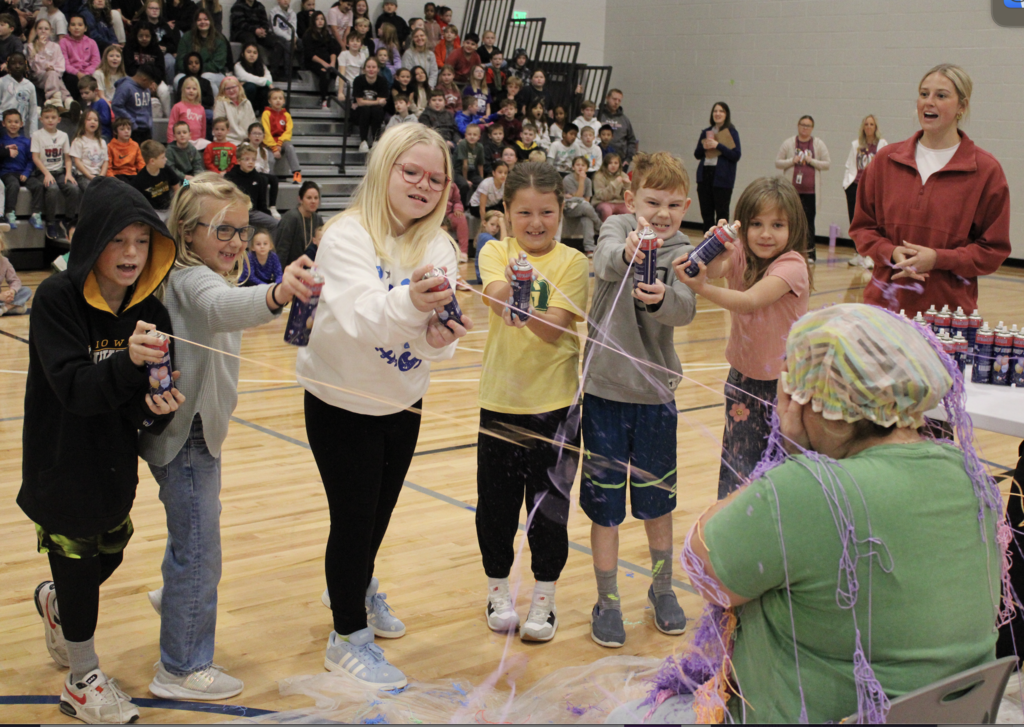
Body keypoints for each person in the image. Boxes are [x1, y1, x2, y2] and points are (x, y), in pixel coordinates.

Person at [300, 123, 471, 688]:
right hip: (340, 400)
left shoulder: (440, 244)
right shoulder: (345, 236)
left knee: (377, 515)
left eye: (435, 178)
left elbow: (426, 340)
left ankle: (358, 583)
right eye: (411, 172)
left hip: (403, 401)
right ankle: (345, 636)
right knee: (352, 520)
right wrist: (411, 304)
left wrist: (437, 341)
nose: (423, 185)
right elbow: (359, 316)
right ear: (385, 170)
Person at [139, 172, 310, 703]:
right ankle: (182, 667)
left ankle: (177, 598)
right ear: (188, 231)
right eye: (224, 231)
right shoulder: (194, 280)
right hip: (186, 436)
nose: (236, 242)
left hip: (194, 434)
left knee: (192, 530)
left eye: (242, 231)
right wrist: (280, 292)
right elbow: (220, 307)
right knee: (200, 548)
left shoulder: (202, 269)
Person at [20, 176, 181, 726]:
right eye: (118, 241)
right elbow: (73, 389)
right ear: (93, 241)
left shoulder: (152, 313)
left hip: (114, 462)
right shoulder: (56, 298)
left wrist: (158, 407)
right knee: (75, 557)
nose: (132, 254)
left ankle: (58, 602)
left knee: (108, 551)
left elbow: (141, 399)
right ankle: (81, 680)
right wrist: (128, 364)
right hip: (60, 459)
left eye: (142, 241)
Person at [581, 151, 696, 648]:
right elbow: (603, 261)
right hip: (605, 392)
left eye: (673, 204)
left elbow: (687, 308)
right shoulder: (618, 228)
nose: (662, 214)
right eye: (652, 201)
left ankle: (663, 589)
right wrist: (629, 252)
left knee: (657, 503)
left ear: (686, 205)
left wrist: (662, 298)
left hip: (655, 398)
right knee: (605, 506)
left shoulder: (684, 249)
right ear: (631, 199)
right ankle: (606, 600)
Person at [476, 160, 588, 642]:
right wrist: (514, 298)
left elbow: (555, 325)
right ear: (504, 212)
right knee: (495, 507)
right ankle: (498, 589)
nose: (536, 223)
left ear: (561, 210)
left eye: (546, 212)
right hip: (500, 403)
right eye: (524, 213)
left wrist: (523, 306)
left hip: (557, 407)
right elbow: (496, 294)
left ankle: (544, 597)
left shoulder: (573, 263)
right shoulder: (494, 250)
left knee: (549, 511)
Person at [675, 176, 810, 499]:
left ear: (793, 228)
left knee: (782, 465)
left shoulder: (792, 265)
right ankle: (734, 530)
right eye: (756, 224)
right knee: (738, 462)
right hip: (742, 380)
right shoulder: (740, 253)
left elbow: (750, 301)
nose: (765, 234)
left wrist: (701, 289)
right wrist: (712, 248)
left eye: (777, 225)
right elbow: (718, 268)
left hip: (785, 385)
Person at [852, 65, 1010, 315]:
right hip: (883, 310)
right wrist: (890, 252)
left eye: (941, 95)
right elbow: (862, 228)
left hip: (949, 318)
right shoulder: (885, 160)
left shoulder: (986, 171)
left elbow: (992, 251)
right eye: (924, 94)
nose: (929, 102)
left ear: (962, 106)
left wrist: (939, 259)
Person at [775, 115, 829, 263]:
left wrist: (812, 161)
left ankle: (810, 254)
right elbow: (778, 162)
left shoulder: (817, 144)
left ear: (812, 128)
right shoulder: (789, 143)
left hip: (810, 191)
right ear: (798, 126)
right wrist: (791, 161)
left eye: (808, 126)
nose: (805, 128)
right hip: (792, 191)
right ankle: (787, 251)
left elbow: (827, 164)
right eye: (802, 125)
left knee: (809, 222)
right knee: (790, 220)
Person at [841, 114, 886, 269]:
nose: (868, 127)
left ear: (876, 127)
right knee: (855, 221)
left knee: (871, 220)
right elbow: (849, 164)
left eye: (871, 124)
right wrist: (847, 183)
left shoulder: (882, 144)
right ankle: (859, 253)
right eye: (866, 124)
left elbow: (885, 166)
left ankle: (871, 255)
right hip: (855, 185)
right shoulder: (856, 144)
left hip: (872, 187)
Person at [30, 103, 81, 238]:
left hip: (60, 171)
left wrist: (69, 173)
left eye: (53, 117)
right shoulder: (37, 135)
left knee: (74, 188)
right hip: (42, 172)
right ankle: (51, 223)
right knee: (52, 189)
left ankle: (68, 220)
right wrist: (46, 174)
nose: (50, 120)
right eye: (47, 117)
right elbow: (35, 158)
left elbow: (68, 158)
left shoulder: (63, 135)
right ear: (41, 120)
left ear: (59, 120)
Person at [694, 101, 741, 232]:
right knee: (706, 213)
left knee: (721, 214)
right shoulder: (706, 132)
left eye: (721, 111)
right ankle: (706, 243)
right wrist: (703, 147)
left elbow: (736, 155)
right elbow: (697, 154)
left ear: (726, 114)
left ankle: (720, 243)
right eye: (715, 111)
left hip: (722, 178)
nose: (717, 113)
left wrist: (718, 145)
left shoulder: (732, 132)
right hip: (705, 175)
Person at [225, 142, 276, 229]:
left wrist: (270, 217)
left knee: (276, 224)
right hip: (235, 212)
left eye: (253, 159)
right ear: (238, 161)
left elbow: (262, 204)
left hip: (253, 213)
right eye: (247, 159)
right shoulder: (230, 177)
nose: (250, 162)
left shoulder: (259, 178)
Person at [173, 8, 228, 90]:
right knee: (177, 80)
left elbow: (217, 64)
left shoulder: (219, 39)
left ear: (210, 21)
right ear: (195, 23)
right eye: (199, 20)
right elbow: (180, 62)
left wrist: (198, 69)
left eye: (206, 19)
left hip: (214, 74)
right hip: (189, 72)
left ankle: (213, 102)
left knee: (205, 78)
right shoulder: (186, 37)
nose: (203, 22)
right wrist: (192, 70)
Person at [122, 24, 172, 114]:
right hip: (135, 81)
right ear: (136, 36)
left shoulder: (156, 49)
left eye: (147, 36)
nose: (144, 38)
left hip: (154, 81)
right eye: (141, 36)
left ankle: (167, 117)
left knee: (164, 90)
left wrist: (154, 82)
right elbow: (130, 69)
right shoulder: (129, 48)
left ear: (151, 36)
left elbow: (160, 70)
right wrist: (144, 82)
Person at [229, 0, 285, 75]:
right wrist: (255, 30)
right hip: (242, 32)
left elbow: (265, 23)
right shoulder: (237, 6)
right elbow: (240, 24)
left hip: (259, 33)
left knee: (278, 42)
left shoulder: (260, 6)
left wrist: (263, 30)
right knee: (251, 41)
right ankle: (249, 70)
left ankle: (272, 72)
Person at [273, 178, 319, 266]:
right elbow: (282, 250)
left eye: (316, 198)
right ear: (300, 199)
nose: (313, 201)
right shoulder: (291, 218)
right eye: (309, 198)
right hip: (289, 270)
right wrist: (280, 276)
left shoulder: (318, 219)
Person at [27, 19, 72, 107]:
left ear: (51, 31)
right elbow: (35, 68)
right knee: (53, 75)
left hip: (54, 76)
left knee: (53, 74)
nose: (43, 31)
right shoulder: (31, 46)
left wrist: (53, 69)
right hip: (38, 77)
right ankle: (65, 99)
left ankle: (61, 101)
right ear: (36, 31)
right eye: (40, 28)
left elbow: (60, 65)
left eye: (46, 29)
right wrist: (40, 48)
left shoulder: (55, 46)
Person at [260, 87, 300, 185]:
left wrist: (280, 143)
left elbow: (288, 131)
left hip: (282, 142)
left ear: (284, 101)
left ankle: (297, 174)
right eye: (275, 98)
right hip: (269, 144)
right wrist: (274, 148)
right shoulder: (266, 114)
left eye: (280, 98)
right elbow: (266, 132)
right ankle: (270, 179)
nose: (278, 100)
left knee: (290, 147)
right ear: (269, 101)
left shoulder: (286, 115)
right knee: (270, 159)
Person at [562, 156, 601, 254]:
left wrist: (575, 197)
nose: (580, 167)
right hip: (568, 208)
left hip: (582, 207)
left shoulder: (588, 180)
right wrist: (581, 181)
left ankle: (589, 248)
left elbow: (586, 199)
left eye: (583, 165)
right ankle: (600, 226)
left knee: (587, 218)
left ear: (587, 168)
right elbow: (578, 197)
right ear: (573, 167)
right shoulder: (567, 179)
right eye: (577, 165)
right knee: (585, 206)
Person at [130, 138, 178, 218]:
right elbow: (139, 203)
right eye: (162, 157)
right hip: (154, 212)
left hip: (170, 208)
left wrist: (175, 205)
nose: (166, 159)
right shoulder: (139, 180)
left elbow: (177, 188)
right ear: (152, 161)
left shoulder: (166, 169)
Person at [302, 10, 340, 108]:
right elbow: (310, 54)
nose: (320, 21)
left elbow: (333, 50)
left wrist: (332, 63)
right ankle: (323, 99)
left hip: (327, 60)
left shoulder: (327, 34)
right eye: (317, 19)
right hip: (314, 61)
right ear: (313, 21)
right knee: (324, 73)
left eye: (322, 19)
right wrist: (324, 64)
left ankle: (338, 96)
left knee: (337, 72)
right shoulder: (308, 34)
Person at [111, 64, 157, 144]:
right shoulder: (125, 87)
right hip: (132, 131)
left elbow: (148, 109)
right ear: (144, 79)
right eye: (150, 83)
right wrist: (132, 123)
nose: (150, 86)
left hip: (146, 130)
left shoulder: (146, 90)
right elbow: (116, 105)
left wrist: (150, 125)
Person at [351, 55, 388, 151]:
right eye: (368, 67)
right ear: (364, 69)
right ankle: (363, 141)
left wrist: (364, 102)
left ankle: (376, 141)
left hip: (376, 112)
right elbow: (360, 103)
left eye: (374, 67)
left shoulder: (382, 81)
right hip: (360, 112)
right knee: (366, 110)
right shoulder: (358, 80)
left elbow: (382, 103)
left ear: (378, 69)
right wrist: (376, 101)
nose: (371, 69)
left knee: (376, 110)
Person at [0, 108, 30, 227]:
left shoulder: (26, 141)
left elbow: (31, 160)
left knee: (37, 185)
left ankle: (36, 214)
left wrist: (27, 172)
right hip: (6, 172)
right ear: (3, 124)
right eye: (9, 121)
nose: (13, 125)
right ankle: (8, 213)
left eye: (16, 122)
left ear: (21, 124)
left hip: (21, 172)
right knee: (12, 184)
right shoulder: (2, 140)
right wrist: (7, 152)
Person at [60, 15, 100, 100]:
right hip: (72, 74)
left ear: (85, 28)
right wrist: (78, 74)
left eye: (80, 25)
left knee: (98, 75)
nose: (76, 27)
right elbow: (65, 63)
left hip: (88, 73)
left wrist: (86, 73)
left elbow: (96, 61)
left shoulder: (91, 42)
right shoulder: (63, 42)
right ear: (69, 28)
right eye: (73, 25)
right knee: (71, 79)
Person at [70, 107, 108, 193]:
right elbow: (77, 162)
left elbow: (106, 161)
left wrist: (101, 176)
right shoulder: (78, 141)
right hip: (84, 176)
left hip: (99, 176)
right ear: (83, 122)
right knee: (94, 191)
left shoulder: (102, 142)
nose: (93, 122)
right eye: (89, 119)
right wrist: (90, 176)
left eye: (95, 120)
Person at [174, 51, 215, 132]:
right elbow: (179, 99)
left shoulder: (206, 82)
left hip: (202, 109)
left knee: (210, 114)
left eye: (197, 63)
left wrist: (195, 100)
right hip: (185, 109)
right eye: (190, 63)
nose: (194, 65)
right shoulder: (182, 81)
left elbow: (210, 101)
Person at [0, 52, 39, 136]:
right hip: (2, 125)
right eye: (13, 63)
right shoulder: (2, 82)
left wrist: (33, 134)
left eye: (20, 63)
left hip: (19, 127)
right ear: (8, 66)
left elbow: (33, 111)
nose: (17, 66)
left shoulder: (29, 86)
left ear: (25, 65)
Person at [597, 88, 637, 170]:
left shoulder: (624, 120)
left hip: (620, 161)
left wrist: (629, 159)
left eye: (619, 100)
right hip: (599, 160)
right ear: (607, 98)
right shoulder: (597, 115)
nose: (616, 102)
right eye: (614, 99)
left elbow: (632, 141)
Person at [210, 76, 254, 147]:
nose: (231, 90)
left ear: (239, 87)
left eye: (233, 87)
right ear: (223, 91)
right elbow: (218, 124)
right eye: (228, 88)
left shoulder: (247, 103)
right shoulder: (221, 102)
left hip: (245, 141)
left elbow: (252, 123)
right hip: (227, 141)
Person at [232, 41, 272, 115]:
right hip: (244, 97)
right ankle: (247, 113)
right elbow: (245, 77)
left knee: (265, 89)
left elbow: (269, 79)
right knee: (250, 87)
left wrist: (263, 82)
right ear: (242, 54)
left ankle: (263, 114)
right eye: (249, 52)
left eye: (255, 53)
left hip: (257, 97)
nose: (252, 55)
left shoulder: (261, 66)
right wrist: (263, 82)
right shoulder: (238, 65)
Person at [0, 229, 32, 314]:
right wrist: (0, 297)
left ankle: (4, 309)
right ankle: (14, 308)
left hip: (2, 301)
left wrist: (12, 291)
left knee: (26, 291)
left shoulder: (4, 262)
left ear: (2, 246)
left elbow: (14, 280)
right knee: (22, 309)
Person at [167, 75, 205, 145]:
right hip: (182, 142)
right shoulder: (177, 107)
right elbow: (171, 126)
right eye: (188, 88)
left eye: (194, 89)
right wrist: (171, 142)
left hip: (197, 143)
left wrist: (202, 140)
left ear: (198, 91)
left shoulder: (201, 108)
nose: (191, 91)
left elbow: (203, 128)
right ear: (183, 90)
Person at [468, 207, 502, 283]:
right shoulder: (483, 237)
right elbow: (503, 246)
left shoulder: (487, 236)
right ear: (484, 223)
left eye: (498, 226)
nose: (494, 228)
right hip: (484, 277)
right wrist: (502, 223)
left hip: (488, 275)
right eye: (492, 224)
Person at [593, 152, 629, 221]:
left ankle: (626, 230)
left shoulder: (623, 175)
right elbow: (601, 196)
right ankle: (605, 230)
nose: (613, 165)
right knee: (607, 210)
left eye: (616, 163)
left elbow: (627, 196)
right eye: (610, 163)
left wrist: (627, 185)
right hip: (602, 202)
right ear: (606, 164)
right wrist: (614, 184)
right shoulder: (599, 176)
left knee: (628, 211)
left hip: (619, 202)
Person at [78, 75, 113, 140]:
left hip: (104, 135)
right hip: (94, 135)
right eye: (81, 93)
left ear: (96, 91)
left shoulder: (102, 102)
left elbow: (106, 119)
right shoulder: (89, 104)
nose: (83, 96)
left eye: (86, 93)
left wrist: (91, 118)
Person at [336, 29, 367, 99]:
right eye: (352, 41)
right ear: (347, 44)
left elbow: (364, 73)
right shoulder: (344, 54)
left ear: (361, 45)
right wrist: (340, 92)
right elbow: (342, 73)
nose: (355, 43)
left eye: (358, 41)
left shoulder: (363, 55)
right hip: (344, 85)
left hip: (356, 85)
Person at [444, 174, 467, 262]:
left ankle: (463, 252)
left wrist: (458, 209)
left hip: (449, 214)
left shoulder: (453, 186)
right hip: (434, 216)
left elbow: (457, 201)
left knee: (461, 218)